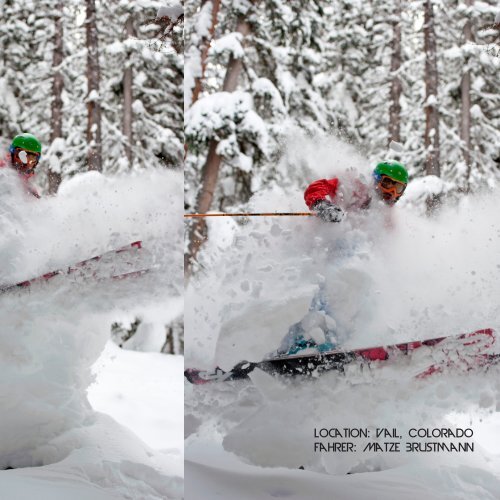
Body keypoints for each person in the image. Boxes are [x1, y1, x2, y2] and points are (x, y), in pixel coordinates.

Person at [272, 161, 409, 357]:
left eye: (399, 188)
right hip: (318, 251)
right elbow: (317, 188)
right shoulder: (355, 186)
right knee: (319, 292)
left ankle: (338, 341)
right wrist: (322, 205)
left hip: (346, 262)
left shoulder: (387, 219)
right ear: (376, 179)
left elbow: (384, 252)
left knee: (360, 287)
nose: (392, 193)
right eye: (388, 184)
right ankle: (297, 344)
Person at [0, 133, 42, 198]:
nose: (27, 162)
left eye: (32, 158)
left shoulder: (28, 185)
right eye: (22, 155)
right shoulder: (3, 171)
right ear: (12, 153)